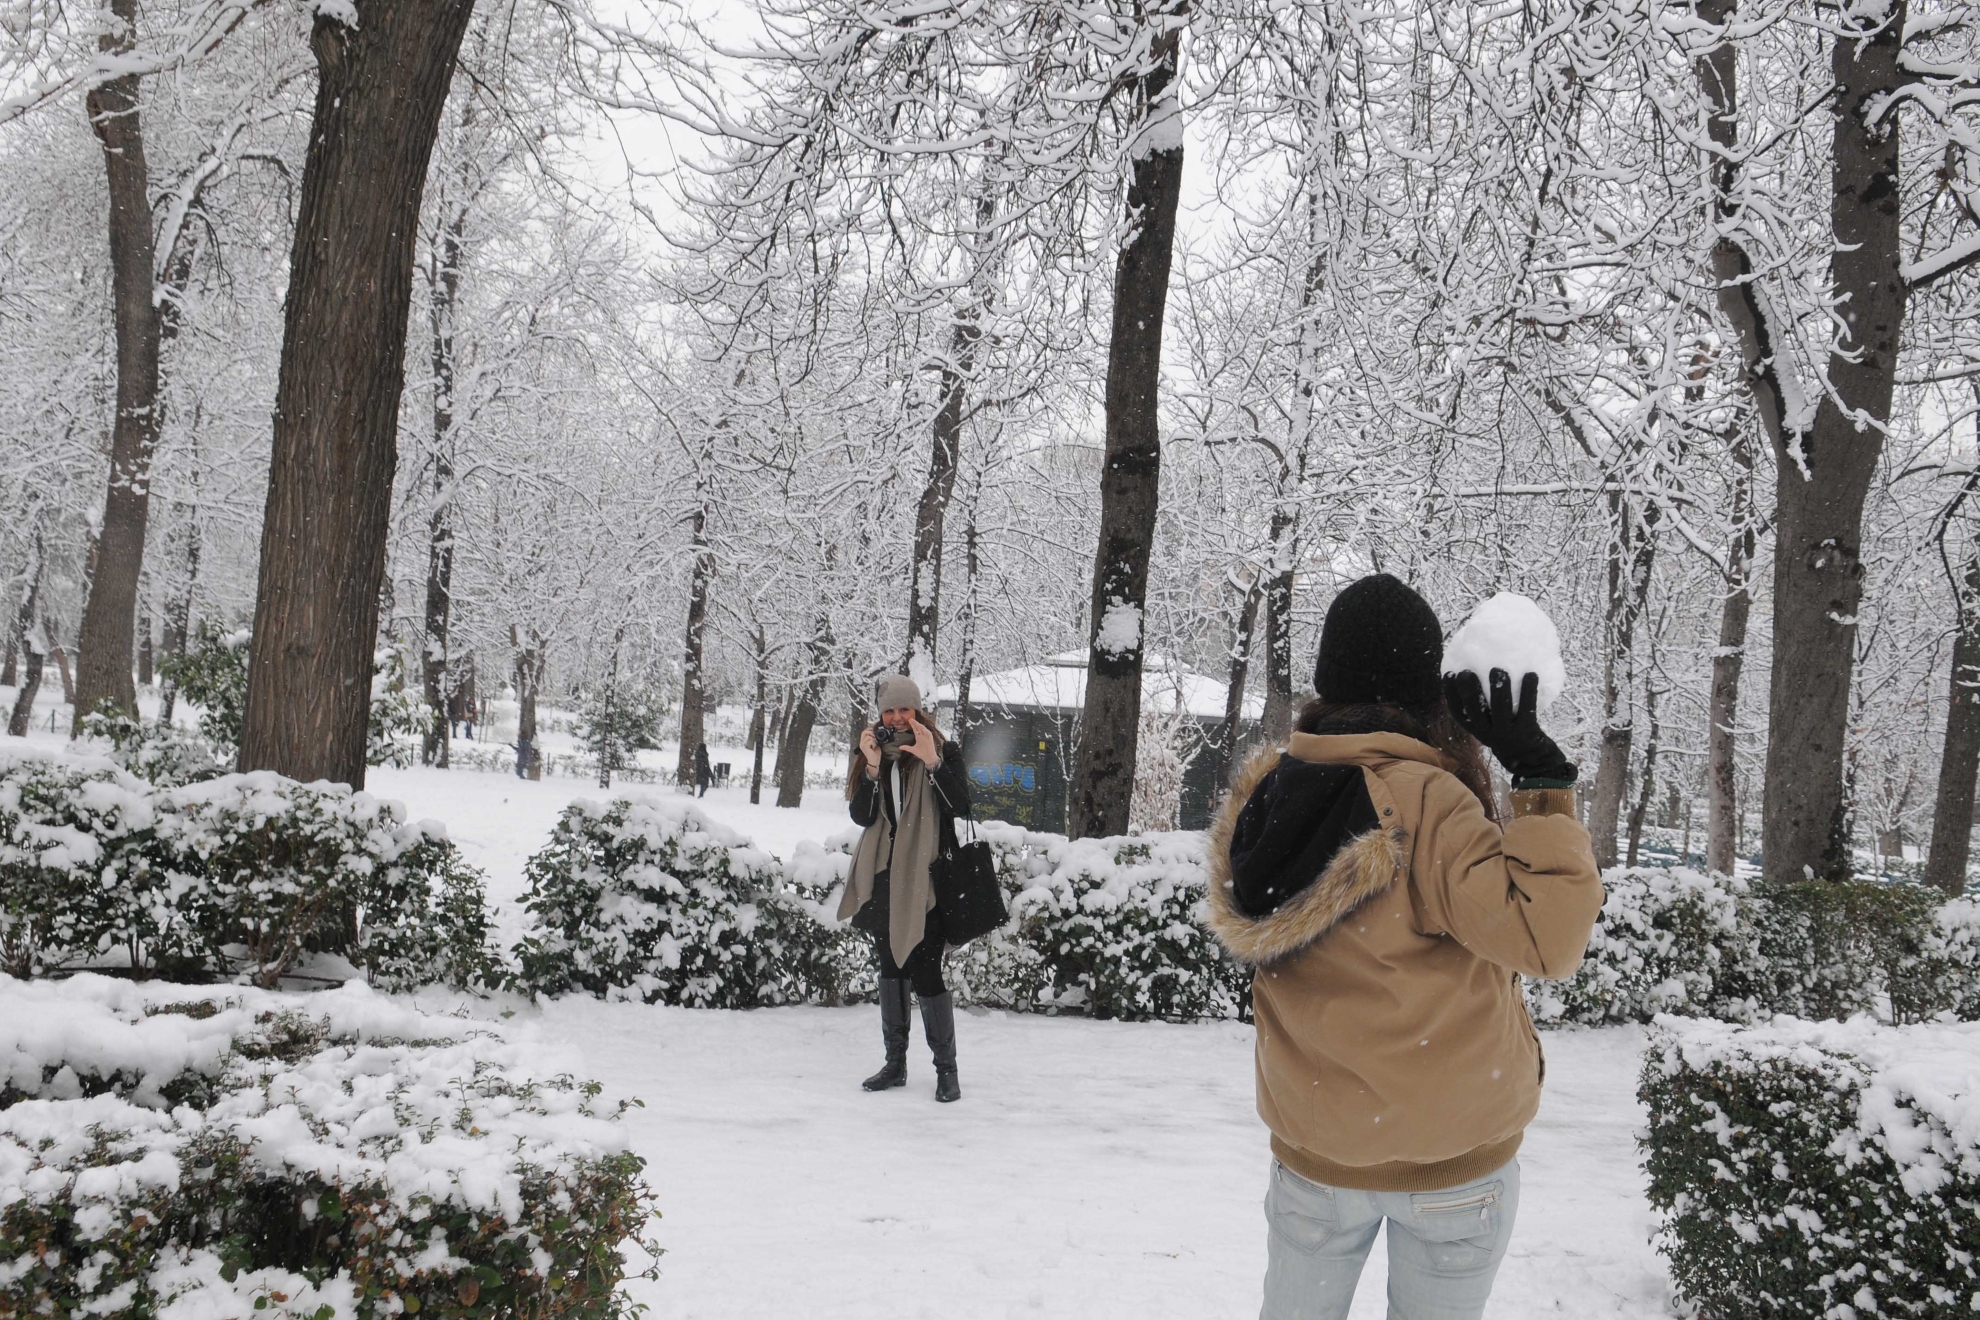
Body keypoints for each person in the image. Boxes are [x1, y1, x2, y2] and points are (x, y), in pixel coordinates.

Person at [1205, 573, 1602, 1320]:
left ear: (1328, 678)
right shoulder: (1428, 799)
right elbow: (1549, 941)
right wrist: (1542, 779)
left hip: (1315, 1152)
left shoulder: (1269, 794)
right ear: (1430, 686)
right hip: (1449, 1161)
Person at [837, 674, 972, 1102]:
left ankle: (946, 1071)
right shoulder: (874, 753)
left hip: (924, 878)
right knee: (891, 968)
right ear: (880, 714)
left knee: (927, 970)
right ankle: (895, 1064)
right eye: (889, 710)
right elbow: (862, 817)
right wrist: (873, 767)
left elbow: (963, 806)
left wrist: (934, 763)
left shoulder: (942, 750)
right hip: (883, 875)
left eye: (905, 709)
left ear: (918, 711)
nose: (897, 717)